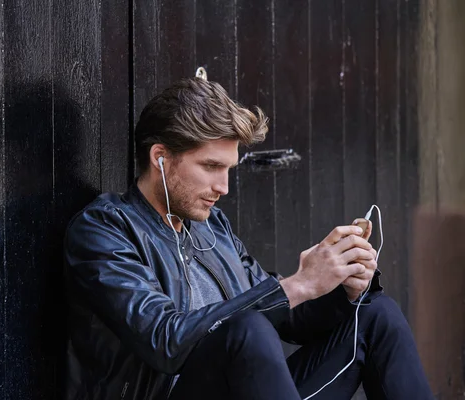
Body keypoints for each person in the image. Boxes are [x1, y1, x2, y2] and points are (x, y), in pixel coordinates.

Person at [64, 77, 433, 399]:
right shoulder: (105, 230)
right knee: (246, 327)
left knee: (375, 314)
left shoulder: (213, 229)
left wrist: (341, 283)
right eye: (210, 166)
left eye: (228, 169)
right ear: (161, 157)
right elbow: (164, 338)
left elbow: (287, 319)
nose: (223, 187)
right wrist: (297, 284)